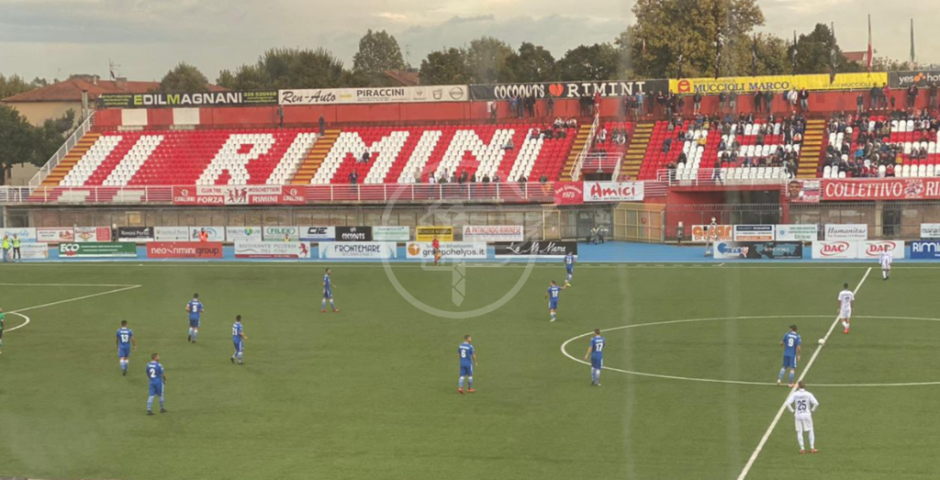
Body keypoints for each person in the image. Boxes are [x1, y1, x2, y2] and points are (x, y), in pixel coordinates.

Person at [785, 381, 819, 454]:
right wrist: (812, 410)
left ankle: (802, 449)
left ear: (798, 386)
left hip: (798, 415)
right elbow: (816, 403)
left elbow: (787, 403)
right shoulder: (808, 394)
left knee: (799, 432)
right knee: (810, 430)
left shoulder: (795, 394)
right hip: (807, 414)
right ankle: (812, 448)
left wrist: (792, 411)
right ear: (805, 386)